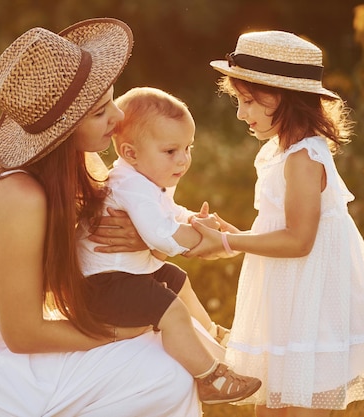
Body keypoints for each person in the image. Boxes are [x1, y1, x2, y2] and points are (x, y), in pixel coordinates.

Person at [0, 18, 203, 417]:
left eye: (111, 100)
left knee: (169, 348)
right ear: (61, 131)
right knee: (166, 374)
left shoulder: (72, 165)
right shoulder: (18, 195)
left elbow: (89, 258)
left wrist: (144, 239)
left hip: (0, 341)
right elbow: (24, 333)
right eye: (100, 112)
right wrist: (125, 331)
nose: (118, 117)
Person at [186, 30, 364, 416]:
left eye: (248, 101)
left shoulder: (303, 158)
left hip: (314, 302)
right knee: (271, 404)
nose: (240, 113)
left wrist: (230, 244)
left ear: (282, 97)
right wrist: (230, 234)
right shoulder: (279, 151)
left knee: (300, 405)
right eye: (239, 101)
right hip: (289, 294)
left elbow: (300, 241)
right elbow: (279, 231)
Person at [76, 86, 262, 405]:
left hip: (123, 275)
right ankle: (209, 377)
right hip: (102, 287)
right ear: (131, 153)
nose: (183, 160)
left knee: (176, 279)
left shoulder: (146, 178)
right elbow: (161, 235)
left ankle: (213, 333)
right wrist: (204, 239)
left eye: (188, 148)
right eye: (171, 151)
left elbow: (169, 214)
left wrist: (193, 221)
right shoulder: (131, 186)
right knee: (171, 310)